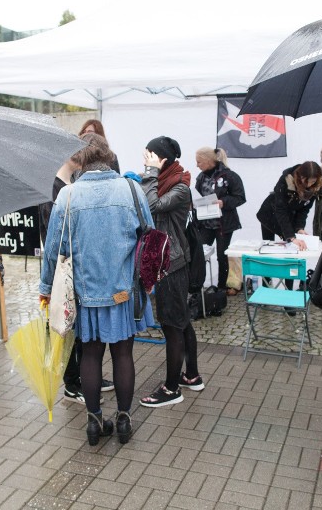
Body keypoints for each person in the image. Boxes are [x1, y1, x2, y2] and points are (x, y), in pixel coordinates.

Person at [39, 133, 147, 444]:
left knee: (89, 355)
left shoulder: (68, 195)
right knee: (123, 353)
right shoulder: (131, 189)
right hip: (122, 291)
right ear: (108, 156)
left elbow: (53, 249)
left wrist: (46, 288)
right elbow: (149, 236)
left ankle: (94, 420)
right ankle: (124, 419)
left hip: (84, 293)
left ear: (80, 159)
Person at [38, 153, 115, 406]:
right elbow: (55, 239)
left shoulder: (68, 185)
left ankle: (86, 378)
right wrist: (47, 285)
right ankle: (73, 384)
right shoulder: (54, 190)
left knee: (79, 331)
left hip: (75, 271)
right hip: (65, 272)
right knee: (67, 328)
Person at [139, 136, 204, 408]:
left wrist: (150, 174)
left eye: (149, 156)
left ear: (162, 159)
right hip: (167, 261)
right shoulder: (167, 183)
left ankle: (171, 388)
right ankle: (192, 375)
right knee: (182, 321)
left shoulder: (180, 188)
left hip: (171, 264)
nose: (145, 161)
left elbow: (150, 206)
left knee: (172, 325)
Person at [194, 147, 246, 296]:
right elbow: (197, 195)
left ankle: (222, 287)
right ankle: (197, 286)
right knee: (200, 254)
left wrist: (223, 202)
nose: (197, 165)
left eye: (199, 162)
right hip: (205, 223)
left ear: (209, 161)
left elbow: (240, 197)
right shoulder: (201, 177)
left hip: (224, 224)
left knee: (222, 256)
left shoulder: (230, 176)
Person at [256, 161, 322, 253]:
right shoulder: (285, 180)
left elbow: (304, 209)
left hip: (290, 215)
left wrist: (299, 228)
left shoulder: (316, 187)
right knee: (269, 247)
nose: (308, 184)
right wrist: (290, 236)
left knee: (291, 247)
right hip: (270, 213)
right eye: (305, 180)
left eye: (313, 181)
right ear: (300, 176)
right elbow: (280, 210)